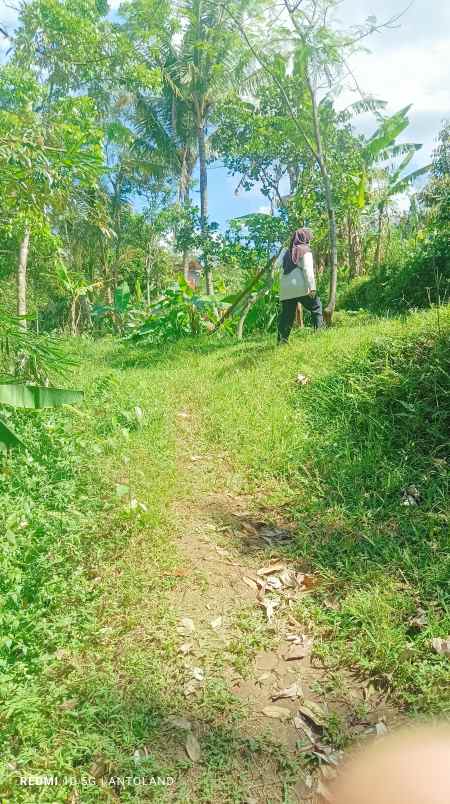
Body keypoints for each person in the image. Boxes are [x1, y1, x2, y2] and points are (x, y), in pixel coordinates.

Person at [276, 227, 323, 343]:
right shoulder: (305, 250)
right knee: (316, 306)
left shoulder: (286, 252)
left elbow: (276, 266)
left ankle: (282, 340)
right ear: (304, 238)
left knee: (287, 316)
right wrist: (312, 287)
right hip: (300, 287)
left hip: (286, 289)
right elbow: (308, 269)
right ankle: (319, 332)